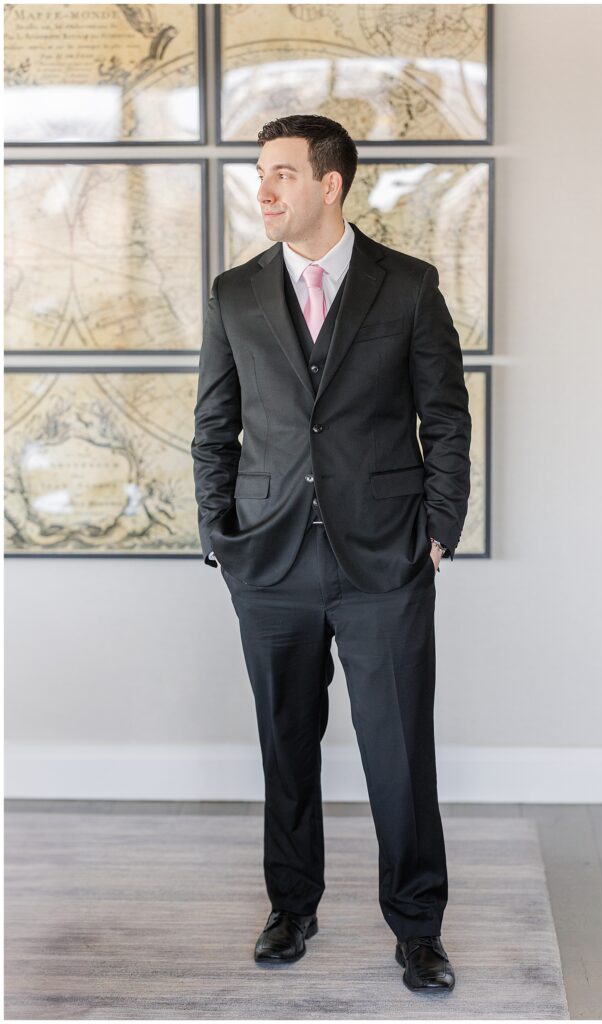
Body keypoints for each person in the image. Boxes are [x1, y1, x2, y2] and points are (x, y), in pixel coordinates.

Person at [191, 114, 471, 993]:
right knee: (285, 745)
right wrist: (220, 537)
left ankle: (417, 928)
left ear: (329, 184)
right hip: (269, 564)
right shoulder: (234, 293)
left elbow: (447, 418)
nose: (263, 190)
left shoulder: (409, 287)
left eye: (279, 174)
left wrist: (438, 528)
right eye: (260, 174)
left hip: (384, 560)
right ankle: (292, 905)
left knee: (398, 752)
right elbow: (214, 429)